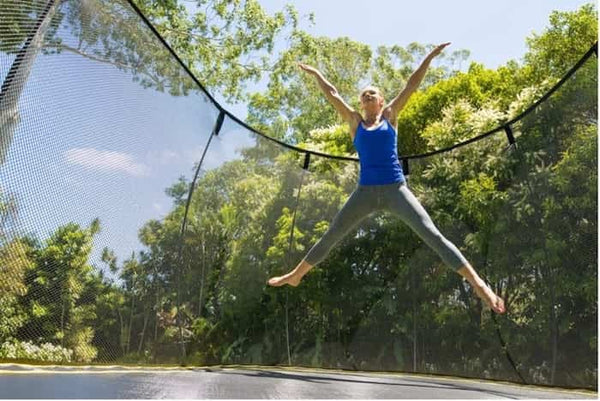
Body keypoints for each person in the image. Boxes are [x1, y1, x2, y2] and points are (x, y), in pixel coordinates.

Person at [267, 43, 505, 314]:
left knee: (433, 235)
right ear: (361, 103)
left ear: (381, 102)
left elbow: (411, 85)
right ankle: (296, 275)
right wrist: (316, 73)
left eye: (374, 93)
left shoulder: (390, 117)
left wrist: (430, 57)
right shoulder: (355, 121)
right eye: (364, 94)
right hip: (365, 192)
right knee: (332, 234)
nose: (368, 95)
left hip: (396, 189)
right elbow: (332, 93)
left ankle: (479, 285)